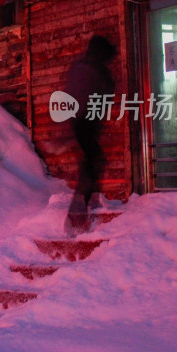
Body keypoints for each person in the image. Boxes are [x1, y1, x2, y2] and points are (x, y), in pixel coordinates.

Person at [64, 35, 116, 234]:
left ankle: (87, 208)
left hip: (81, 121)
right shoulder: (95, 70)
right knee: (91, 165)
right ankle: (76, 216)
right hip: (86, 121)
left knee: (93, 162)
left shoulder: (80, 67)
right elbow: (105, 90)